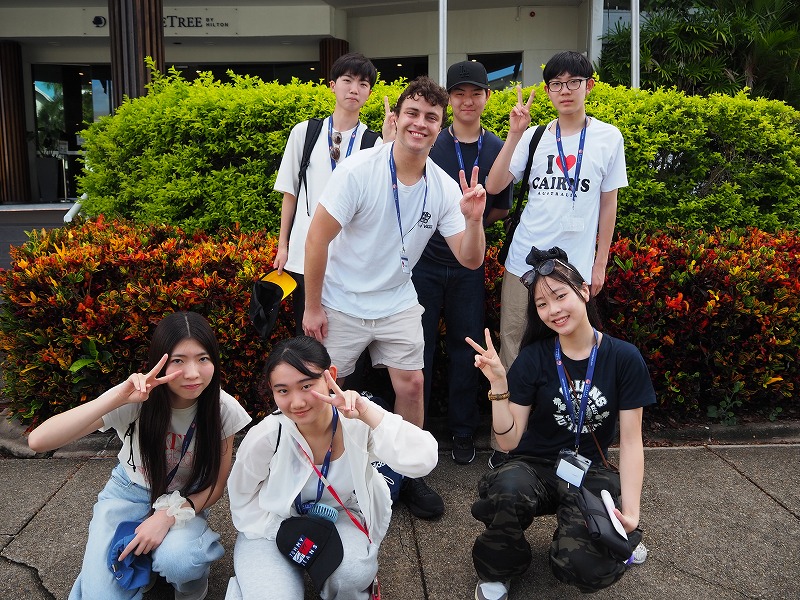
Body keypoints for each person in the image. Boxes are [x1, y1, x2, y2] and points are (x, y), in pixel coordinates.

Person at [302, 76, 487, 519]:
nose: (420, 123)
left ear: (440, 127)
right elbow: (316, 239)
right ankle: (326, 471)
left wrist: (474, 220)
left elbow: (469, 258)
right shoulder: (358, 171)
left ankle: (408, 471)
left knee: (413, 384)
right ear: (397, 117)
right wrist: (312, 306)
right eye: (412, 113)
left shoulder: (443, 185)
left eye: (430, 117)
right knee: (327, 387)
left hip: (397, 299)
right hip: (341, 300)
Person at [465, 247, 655, 600]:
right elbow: (508, 442)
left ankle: (618, 538)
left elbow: (631, 443)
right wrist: (499, 386)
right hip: (533, 466)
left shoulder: (623, 358)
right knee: (506, 488)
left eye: (560, 296)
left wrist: (631, 513)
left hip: (589, 471)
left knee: (586, 566)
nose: (553, 310)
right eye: (542, 304)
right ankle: (499, 570)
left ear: (584, 291)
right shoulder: (534, 358)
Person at [27, 311, 252, 600]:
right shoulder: (136, 399)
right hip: (128, 493)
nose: (193, 373)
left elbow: (215, 487)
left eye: (203, 359)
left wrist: (168, 516)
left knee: (180, 560)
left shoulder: (222, 409)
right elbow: (39, 441)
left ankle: (189, 585)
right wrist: (117, 398)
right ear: (160, 361)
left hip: (184, 500)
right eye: (178, 360)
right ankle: (137, 566)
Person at [484, 50, 628, 468]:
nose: (565, 91)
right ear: (547, 91)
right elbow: (494, 185)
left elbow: (608, 204)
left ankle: (560, 441)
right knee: (512, 347)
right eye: (556, 84)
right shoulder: (533, 136)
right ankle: (507, 446)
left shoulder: (608, 138)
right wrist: (514, 134)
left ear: (589, 86)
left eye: (573, 82)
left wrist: (600, 263)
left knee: (572, 350)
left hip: (573, 268)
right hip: (523, 263)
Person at [225, 335, 438, 599]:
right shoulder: (268, 435)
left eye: (306, 386)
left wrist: (369, 414)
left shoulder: (356, 421)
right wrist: (280, 531)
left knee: (352, 575)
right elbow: (242, 497)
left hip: (338, 515)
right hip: (272, 523)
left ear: (330, 377)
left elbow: (424, 459)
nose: (297, 402)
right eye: (283, 391)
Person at [414, 60, 514, 465]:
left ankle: (462, 431)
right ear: (448, 99)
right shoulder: (432, 141)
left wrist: (468, 227)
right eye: (459, 93)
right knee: (417, 347)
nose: (467, 100)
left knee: (466, 347)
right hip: (423, 261)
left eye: (476, 93)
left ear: (487, 97)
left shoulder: (497, 148)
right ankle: (415, 431)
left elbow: (501, 207)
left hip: (469, 265)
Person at [273, 52, 389, 335]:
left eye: (363, 84)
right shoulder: (304, 133)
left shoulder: (373, 143)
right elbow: (290, 194)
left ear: (369, 93)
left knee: (345, 343)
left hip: (349, 264)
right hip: (304, 257)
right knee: (307, 341)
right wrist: (283, 246)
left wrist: (389, 144)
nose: (354, 89)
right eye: (347, 80)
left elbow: (380, 203)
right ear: (332, 85)